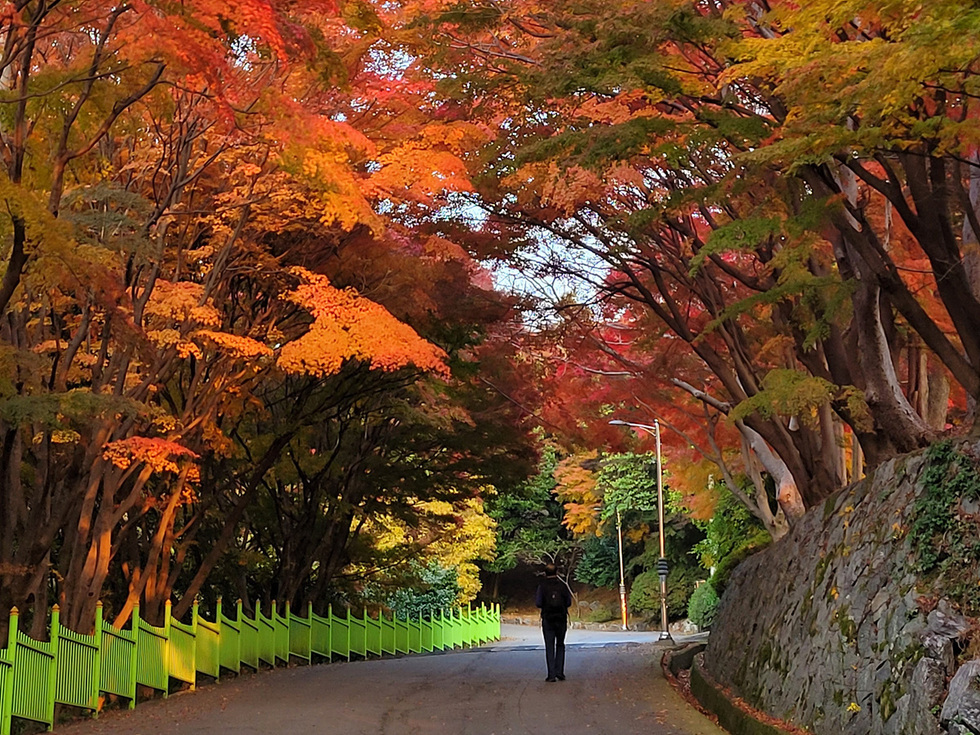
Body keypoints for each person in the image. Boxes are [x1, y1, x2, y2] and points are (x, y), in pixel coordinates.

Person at [535, 563, 572, 682]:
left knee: (549, 646)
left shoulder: (542, 586)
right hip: (561, 618)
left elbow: (538, 603)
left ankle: (551, 675)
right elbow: (568, 602)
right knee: (560, 644)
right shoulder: (562, 586)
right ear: (557, 572)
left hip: (548, 619)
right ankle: (560, 672)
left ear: (545, 573)